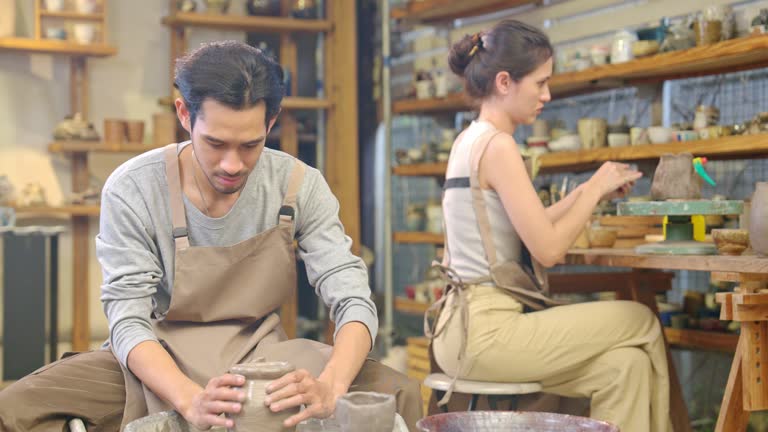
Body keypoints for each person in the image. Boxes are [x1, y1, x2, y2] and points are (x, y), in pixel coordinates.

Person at [0, 41, 421, 431]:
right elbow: (127, 318)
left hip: (262, 357)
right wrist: (189, 398)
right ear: (184, 114)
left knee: (399, 392)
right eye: (215, 143)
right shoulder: (133, 187)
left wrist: (332, 384)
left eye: (250, 145)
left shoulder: (298, 184)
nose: (232, 164)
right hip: (156, 354)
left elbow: (352, 298)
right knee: (16, 408)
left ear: (271, 122)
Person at [426, 20, 672, 432]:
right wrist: (592, 189)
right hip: (488, 332)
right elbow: (548, 250)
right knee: (642, 320)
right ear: (505, 82)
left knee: (624, 365)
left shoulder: (472, 139)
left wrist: (586, 193)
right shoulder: (499, 146)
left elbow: (529, 226)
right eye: (540, 83)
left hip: (461, 331)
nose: (547, 95)